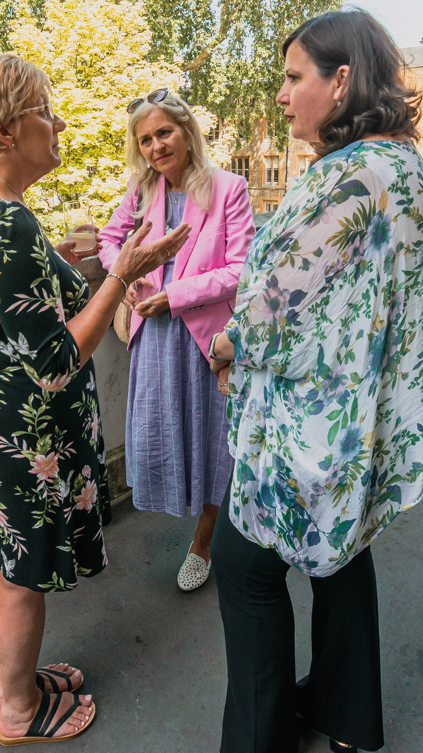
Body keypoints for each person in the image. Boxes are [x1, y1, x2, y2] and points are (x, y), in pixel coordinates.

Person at [205, 9, 423, 753]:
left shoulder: (346, 178)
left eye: (293, 77)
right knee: (339, 556)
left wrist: (227, 343)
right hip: (361, 418)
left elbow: (272, 305)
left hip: (306, 424)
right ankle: (347, 714)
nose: (281, 94)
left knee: (243, 571)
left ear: (341, 81)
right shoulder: (401, 164)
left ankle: (257, 739)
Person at [0, 53, 190, 744]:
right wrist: (127, 272)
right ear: (2, 127)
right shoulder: (10, 225)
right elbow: (55, 361)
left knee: (1, 550)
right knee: (22, 572)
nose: (57, 122)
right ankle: (19, 709)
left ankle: (8, 684)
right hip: (29, 434)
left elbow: (17, 302)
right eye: (44, 112)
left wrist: (81, 257)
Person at [98, 89, 255, 593]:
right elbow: (108, 242)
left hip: (204, 340)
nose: (155, 146)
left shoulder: (229, 188)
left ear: (187, 132)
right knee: (160, 433)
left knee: (214, 441)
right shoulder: (142, 192)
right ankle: (185, 509)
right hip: (152, 337)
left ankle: (204, 542)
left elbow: (242, 268)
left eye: (163, 132)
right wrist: (127, 278)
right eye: (145, 139)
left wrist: (174, 294)